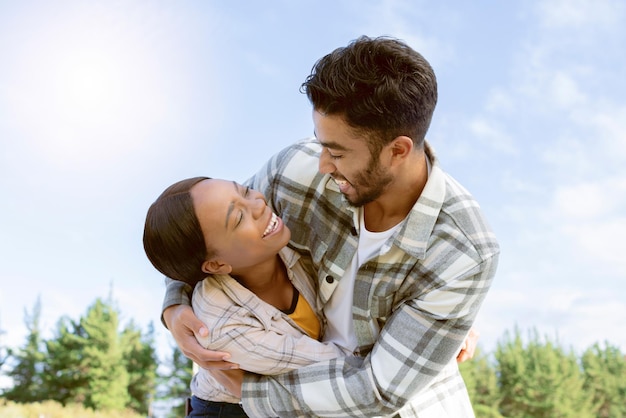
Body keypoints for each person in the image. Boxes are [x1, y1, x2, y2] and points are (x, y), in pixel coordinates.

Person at [162, 35, 500, 417]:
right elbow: (199, 231)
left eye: (337, 152)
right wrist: (175, 306)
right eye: (322, 144)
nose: (323, 163)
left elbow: (376, 391)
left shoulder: (463, 251)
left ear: (398, 150)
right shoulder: (296, 169)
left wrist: (255, 395)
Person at [144, 177, 346, 417]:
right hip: (228, 410)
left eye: (246, 191)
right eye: (239, 218)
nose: (259, 203)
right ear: (217, 264)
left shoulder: (283, 245)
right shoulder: (220, 322)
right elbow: (335, 366)